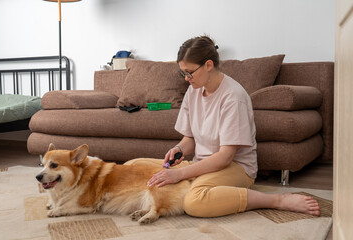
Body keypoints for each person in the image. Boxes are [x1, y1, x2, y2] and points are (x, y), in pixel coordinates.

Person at [128, 36, 320, 218]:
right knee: (133, 166)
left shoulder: (233, 97)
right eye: (182, 73)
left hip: (235, 167)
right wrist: (179, 149)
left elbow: (225, 156)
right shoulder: (193, 91)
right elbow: (190, 139)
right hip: (202, 164)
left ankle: (276, 200)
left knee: (194, 202)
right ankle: (194, 184)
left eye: (189, 72)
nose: (186, 78)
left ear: (209, 65)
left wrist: (179, 174)